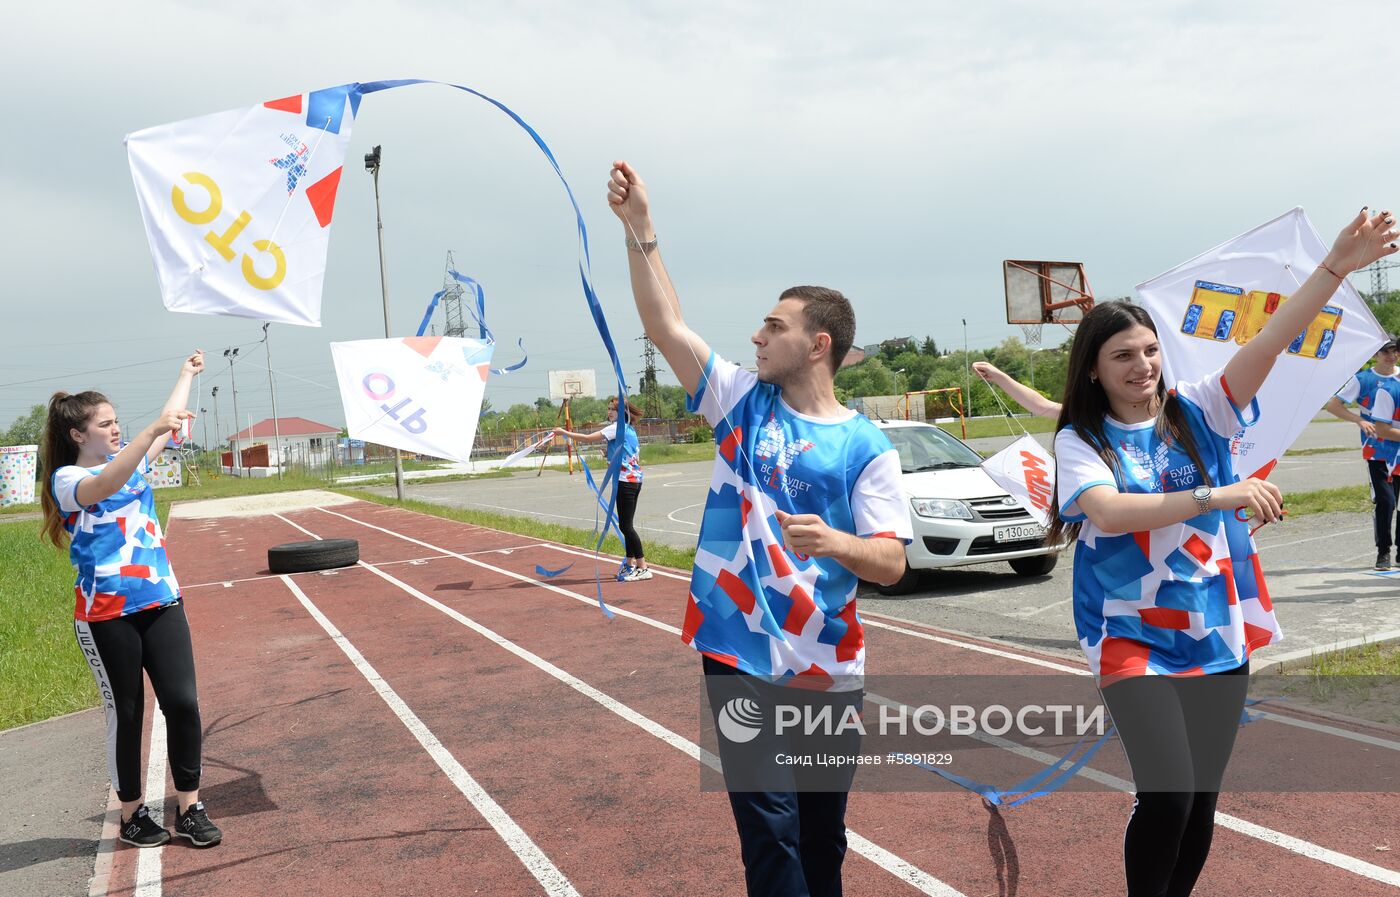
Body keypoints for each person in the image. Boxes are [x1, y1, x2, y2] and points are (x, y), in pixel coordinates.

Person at [1048, 208, 1397, 897]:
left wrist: (1334, 269)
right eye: (1121, 354)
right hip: (1127, 635)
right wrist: (1217, 495)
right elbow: (1111, 512)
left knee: (1202, 800)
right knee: (1169, 794)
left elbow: (1272, 338)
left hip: (1214, 629)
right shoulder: (1079, 443)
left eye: (1150, 350)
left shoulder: (1202, 408)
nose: (1141, 364)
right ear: (1092, 369)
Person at [607, 159, 911, 897]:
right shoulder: (741, 403)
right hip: (736, 649)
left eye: (774, 325)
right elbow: (665, 324)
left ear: (819, 344)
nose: (756, 335)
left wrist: (837, 543)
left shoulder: (867, 446)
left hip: (827, 663)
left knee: (821, 839)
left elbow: (891, 564)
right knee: (769, 834)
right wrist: (640, 228)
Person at [39, 351, 222, 849]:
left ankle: (190, 807)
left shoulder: (132, 461)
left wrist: (186, 376)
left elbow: (167, 427)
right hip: (107, 616)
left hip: (161, 601)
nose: (117, 429)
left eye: (119, 422)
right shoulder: (68, 480)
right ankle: (133, 814)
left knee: (183, 703)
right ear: (78, 434)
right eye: (106, 424)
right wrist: (147, 433)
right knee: (129, 712)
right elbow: (110, 481)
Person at [554, 396, 652, 581]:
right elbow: (628, 452)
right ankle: (630, 563)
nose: (609, 412)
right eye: (608, 409)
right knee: (625, 524)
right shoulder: (628, 430)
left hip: (626, 481)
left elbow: (587, 438)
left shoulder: (617, 428)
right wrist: (609, 453)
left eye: (612, 409)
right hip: (632, 480)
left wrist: (564, 432)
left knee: (626, 525)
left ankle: (643, 566)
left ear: (621, 412)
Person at [1323, 337, 1400, 569]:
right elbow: (1333, 405)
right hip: (1376, 449)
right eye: (1386, 351)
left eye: (1395, 351)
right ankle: (1383, 551)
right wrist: (1358, 420)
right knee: (1386, 501)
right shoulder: (1363, 379)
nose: (1391, 356)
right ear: (1376, 354)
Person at [972, 360, 1062, 419]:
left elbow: (1042, 407)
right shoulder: (1072, 413)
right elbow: (1041, 406)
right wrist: (997, 376)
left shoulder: (1072, 416)